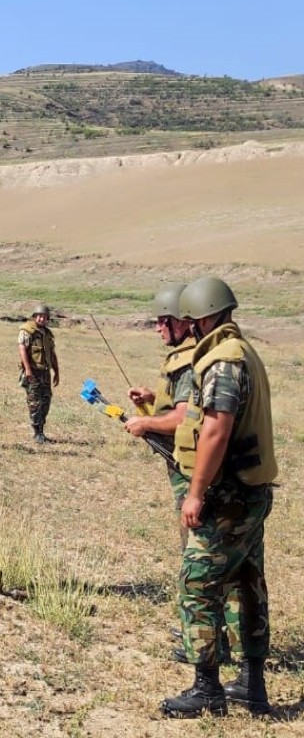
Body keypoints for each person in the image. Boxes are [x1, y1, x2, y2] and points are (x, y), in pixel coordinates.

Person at [160, 277, 276, 718]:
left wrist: (195, 492)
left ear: (201, 318)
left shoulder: (224, 361)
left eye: (190, 319)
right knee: (247, 583)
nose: (188, 326)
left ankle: (207, 689)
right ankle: (251, 685)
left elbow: (215, 429)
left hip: (227, 497)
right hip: (250, 492)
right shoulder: (244, 351)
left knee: (197, 584)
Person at [126, 285, 238, 666]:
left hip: (195, 472)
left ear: (181, 322)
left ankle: (211, 641)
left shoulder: (193, 361)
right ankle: (200, 629)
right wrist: (150, 400)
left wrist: (146, 423)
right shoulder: (188, 357)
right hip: (187, 468)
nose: (158, 328)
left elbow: (183, 418)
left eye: (163, 321)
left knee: (202, 558)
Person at [18, 303, 59, 443]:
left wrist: (57, 371)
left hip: (45, 372)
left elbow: (52, 354)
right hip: (33, 372)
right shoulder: (27, 331)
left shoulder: (47, 334)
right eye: (39, 316)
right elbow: (22, 349)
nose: (42, 319)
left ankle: (41, 430)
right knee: (34, 402)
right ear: (34, 317)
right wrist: (28, 370)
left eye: (44, 317)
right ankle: (37, 432)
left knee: (46, 401)